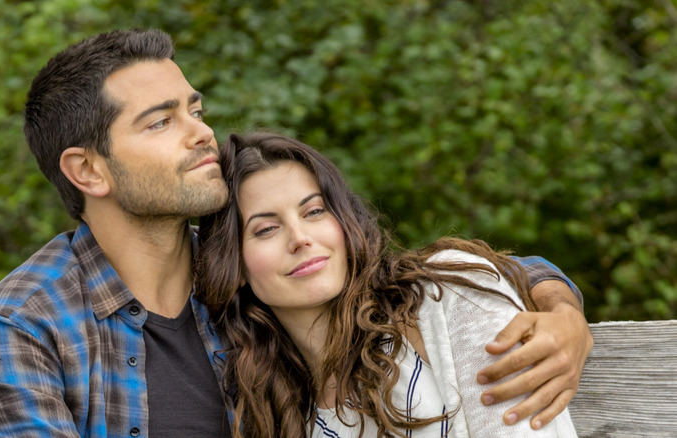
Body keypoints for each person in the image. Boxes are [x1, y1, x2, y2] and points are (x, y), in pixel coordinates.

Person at [0, 29, 590, 437]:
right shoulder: (17, 331)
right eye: (160, 121)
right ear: (88, 170)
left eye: (194, 108)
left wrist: (560, 305)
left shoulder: (243, 286)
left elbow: (407, 275)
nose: (200, 132)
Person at [196, 132, 579, 437]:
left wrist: (562, 306)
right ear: (235, 264)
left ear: (344, 222)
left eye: (314, 211)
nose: (300, 238)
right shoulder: (275, 406)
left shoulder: (448, 299)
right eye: (266, 229)